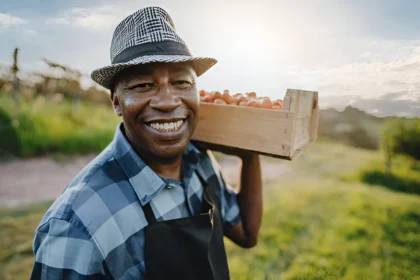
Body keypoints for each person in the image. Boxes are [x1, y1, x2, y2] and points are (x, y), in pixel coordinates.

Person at [31, 6, 262, 280]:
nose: (167, 101)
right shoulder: (77, 224)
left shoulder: (199, 161)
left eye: (180, 82)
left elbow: (247, 233)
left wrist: (249, 154)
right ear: (116, 101)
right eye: (143, 85)